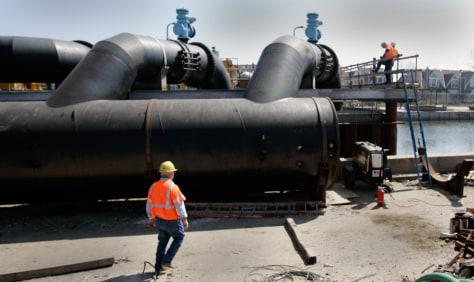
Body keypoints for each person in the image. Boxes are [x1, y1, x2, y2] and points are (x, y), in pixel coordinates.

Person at [146, 160, 189, 274]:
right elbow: (180, 206)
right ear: (171, 174)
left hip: (159, 221)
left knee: (162, 242)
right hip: (172, 221)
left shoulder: (153, 187)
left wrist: (150, 217)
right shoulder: (173, 187)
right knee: (179, 237)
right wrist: (184, 219)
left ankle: (158, 266)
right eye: (173, 173)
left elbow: (149, 204)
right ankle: (167, 260)